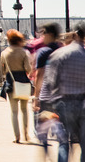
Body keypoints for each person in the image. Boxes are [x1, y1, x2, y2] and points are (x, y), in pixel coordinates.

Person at [42, 23, 85, 162]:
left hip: (64, 102)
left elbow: (50, 82)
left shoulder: (58, 54)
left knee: (64, 142)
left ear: (75, 34)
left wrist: (47, 104)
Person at [31, 23, 65, 154]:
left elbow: (39, 75)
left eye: (43, 33)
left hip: (46, 94)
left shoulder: (43, 52)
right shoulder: (63, 50)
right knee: (62, 136)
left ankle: (45, 152)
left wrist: (36, 97)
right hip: (62, 94)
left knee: (42, 131)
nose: (41, 36)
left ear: (49, 35)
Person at [0, 29, 32, 143]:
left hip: (10, 82)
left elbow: (2, 71)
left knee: (14, 111)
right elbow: (28, 69)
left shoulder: (4, 53)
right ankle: (26, 134)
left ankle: (16, 136)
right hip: (23, 81)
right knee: (24, 110)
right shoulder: (23, 52)